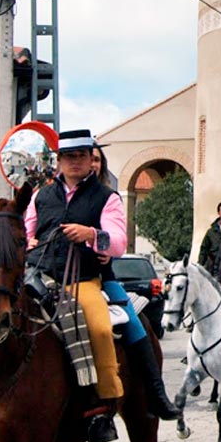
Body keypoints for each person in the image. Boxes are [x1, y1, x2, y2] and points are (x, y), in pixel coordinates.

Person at [21, 130, 131, 442]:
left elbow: (119, 243)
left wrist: (91, 234)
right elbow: (26, 231)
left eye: (82, 155)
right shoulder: (40, 196)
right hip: (39, 278)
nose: (76, 161)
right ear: (58, 161)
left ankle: (104, 406)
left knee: (98, 328)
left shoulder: (107, 198)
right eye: (69, 156)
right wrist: (27, 241)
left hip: (81, 281)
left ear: (89, 158)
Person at [89, 142, 181, 422]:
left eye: (95, 159)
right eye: (85, 158)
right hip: (52, 276)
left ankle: (154, 391)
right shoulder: (50, 196)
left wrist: (97, 242)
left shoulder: (107, 197)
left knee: (133, 323)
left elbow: (117, 239)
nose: (90, 164)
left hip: (99, 277)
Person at [198, 200, 221, 269]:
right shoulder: (211, 232)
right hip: (213, 269)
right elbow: (204, 250)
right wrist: (199, 266)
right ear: (219, 213)